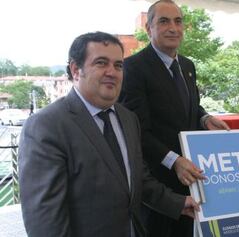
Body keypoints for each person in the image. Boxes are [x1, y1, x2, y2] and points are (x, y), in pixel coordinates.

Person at [18, 31, 199, 237]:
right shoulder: (46, 126)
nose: (112, 72)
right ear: (76, 70)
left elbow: (138, 180)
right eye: (101, 63)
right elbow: (45, 219)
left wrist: (179, 203)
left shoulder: (128, 119)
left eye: (118, 65)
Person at [118, 1, 229, 236]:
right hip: (157, 188)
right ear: (149, 29)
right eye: (164, 21)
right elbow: (137, 129)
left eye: (178, 21)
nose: (173, 28)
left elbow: (188, 106)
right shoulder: (133, 68)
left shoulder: (187, 65)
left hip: (191, 180)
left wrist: (204, 118)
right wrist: (174, 161)